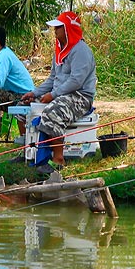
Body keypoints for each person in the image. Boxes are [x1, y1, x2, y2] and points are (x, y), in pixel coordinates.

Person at [20, 11, 97, 175]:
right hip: (61, 94)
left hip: (80, 97)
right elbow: (52, 78)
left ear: (69, 28)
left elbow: (77, 81)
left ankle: (58, 158)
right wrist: (34, 93)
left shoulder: (81, 50)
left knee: (53, 112)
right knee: (22, 108)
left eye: (59, 27)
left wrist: (53, 95)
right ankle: (27, 152)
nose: (55, 31)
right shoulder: (60, 50)